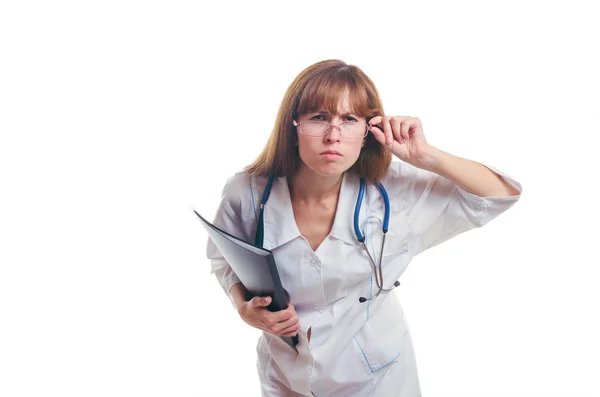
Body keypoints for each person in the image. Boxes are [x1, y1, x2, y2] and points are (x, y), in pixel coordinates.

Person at [206, 59, 522, 397]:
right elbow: (224, 259)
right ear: (293, 127)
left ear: (367, 132)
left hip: (377, 378)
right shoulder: (248, 193)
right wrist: (243, 308)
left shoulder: (393, 193)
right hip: (286, 376)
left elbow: (499, 195)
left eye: (349, 120)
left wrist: (425, 155)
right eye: (318, 117)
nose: (333, 135)